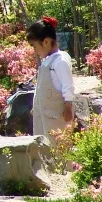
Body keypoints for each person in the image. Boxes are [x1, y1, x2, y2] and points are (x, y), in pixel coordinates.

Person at [26, 17, 75, 146]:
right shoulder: (48, 60)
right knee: (44, 147)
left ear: (46, 42)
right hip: (44, 116)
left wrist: (68, 106)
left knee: (58, 147)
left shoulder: (60, 61)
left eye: (34, 46)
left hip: (56, 116)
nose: (34, 50)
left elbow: (68, 85)